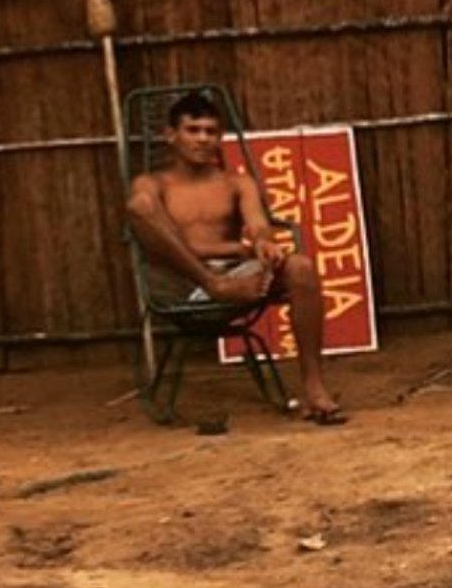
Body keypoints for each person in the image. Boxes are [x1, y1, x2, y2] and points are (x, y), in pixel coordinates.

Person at [125, 90, 346, 424]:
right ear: (171, 135)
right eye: (193, 130)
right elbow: (162, 244)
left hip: (238, 278)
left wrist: (261, 243)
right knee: (139, 207)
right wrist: (226, 260)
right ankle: (214, 285)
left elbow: (258, 226)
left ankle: (314, 388)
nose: (203, 139)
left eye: (211, 132)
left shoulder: (236, 182)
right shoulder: (153, 184)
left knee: (300, 267)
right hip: (184, 281)